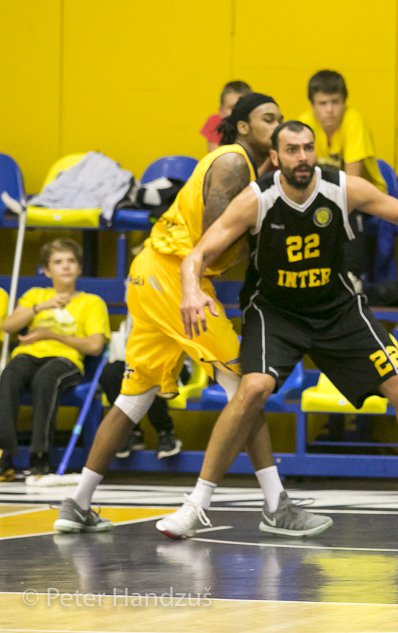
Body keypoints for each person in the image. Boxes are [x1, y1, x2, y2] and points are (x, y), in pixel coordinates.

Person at [159, 120, 398, 542]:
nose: (303, 157)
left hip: (336, 310)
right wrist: (189, 290)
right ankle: (195, 505)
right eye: (292, 150)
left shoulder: (340, 188)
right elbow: (197, 255)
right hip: (275, 312)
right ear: (275, 157)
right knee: (252, 388)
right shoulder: (257, 199)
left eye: (308, 148)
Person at [52, 93, 313, 536]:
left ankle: (77, 503)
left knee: (134, 397)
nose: (278, 126)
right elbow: (216, 242)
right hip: (174, 279)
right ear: (243, 127)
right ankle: (276, 505)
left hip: (151, 274)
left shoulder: (241, 168)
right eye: (268, 119)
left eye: (280, 119)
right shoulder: (232, 162)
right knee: (245, 388)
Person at [0, 239, 109, 479]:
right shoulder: (35, 295)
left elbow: (95, 346)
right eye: (58, 262)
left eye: (71, 261)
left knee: (45, 379)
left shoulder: (92, 302)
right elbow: (8, 326)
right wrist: (40, 307)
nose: (66, 266)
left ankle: (40, 456)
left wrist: (52, 335)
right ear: (47, 271)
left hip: (65, 360)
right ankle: (4, 456)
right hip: (29, 355)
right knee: (8, 376)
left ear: (79, 268)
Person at [299, 70, 385, 282]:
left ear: (345, 102)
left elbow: (351, 182)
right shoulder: (303, 125)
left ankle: (352, 277)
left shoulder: (354, 121)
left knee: (348, 208)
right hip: (320, 193)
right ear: (312, 105)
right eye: (323, 103)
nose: (330, 110)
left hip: (365, 194)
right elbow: (299, 178)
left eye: (335, 102)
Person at [100, 318, 182, 460]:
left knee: (150, 371)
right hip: (135, 365)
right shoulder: (133, 315)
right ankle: (131, 432)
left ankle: (166, 432)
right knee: (110, 372)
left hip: (174, 365)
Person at [200, 81, 252, 152]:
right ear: (221, 110)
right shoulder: (215, 122)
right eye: (232, 108)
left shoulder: (255, 123)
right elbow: (215, 155)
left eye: (243, 107)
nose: (237, 112)